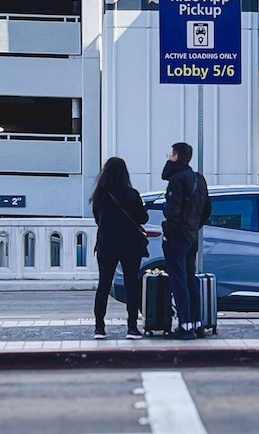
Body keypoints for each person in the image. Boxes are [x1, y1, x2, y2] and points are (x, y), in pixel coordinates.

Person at [90, 157, 149, 339]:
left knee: (104, 285)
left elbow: (97, 220)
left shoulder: (99, 197)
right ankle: (132, 327)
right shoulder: (132, 194)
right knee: (132, 285)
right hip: (130, 245)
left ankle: (99, 328)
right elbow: (143, 219)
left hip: (107, 245)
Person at [161, 142, 212, 339]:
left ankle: (184, 326)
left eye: (170, 154)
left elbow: (173, 211)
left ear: (176, 156)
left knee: (178, 281)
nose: (168, 158)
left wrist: (169, 229)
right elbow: (207, 208)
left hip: (178, 237)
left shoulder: (177, 180)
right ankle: (196, 324)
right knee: (191, 280)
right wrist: (195, 226)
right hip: (192, 236)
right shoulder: (199, 179)